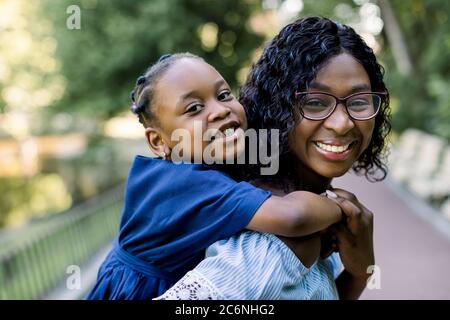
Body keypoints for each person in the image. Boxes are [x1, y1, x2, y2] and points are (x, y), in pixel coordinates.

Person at [155, 16, 391, 300]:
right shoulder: (274, 241)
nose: (342, 124)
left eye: (358, 101)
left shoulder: (306, 212)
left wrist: (359, 273)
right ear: (278, 108)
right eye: (315, 102)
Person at [87, 52, 346, 300]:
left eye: (223, 95)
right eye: (194, 108)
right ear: (158, 141)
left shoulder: (202, 167)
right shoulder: (185, 183)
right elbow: (294, 217)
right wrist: (341, 208)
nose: (220, 110)